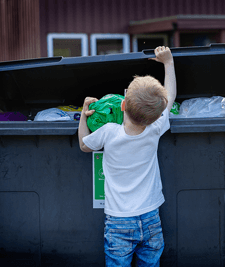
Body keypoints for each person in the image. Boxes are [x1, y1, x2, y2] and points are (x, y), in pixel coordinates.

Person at [78, 46, 176, 266]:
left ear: (122, 104)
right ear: (156, 115)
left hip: (118, 221)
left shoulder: (108, 133)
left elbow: (84, 145)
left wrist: (83, 115)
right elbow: (169, 98)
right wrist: (168, 63)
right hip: (151, 217)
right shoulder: (155, 128)